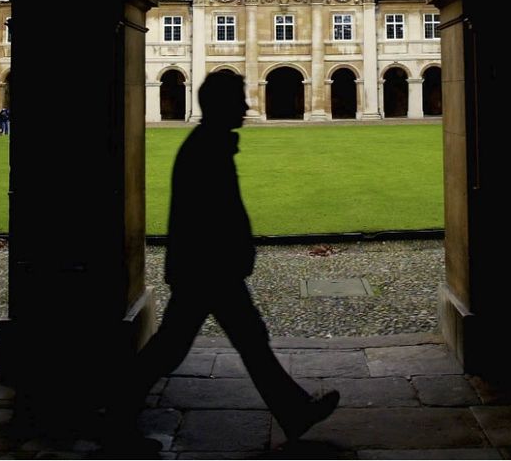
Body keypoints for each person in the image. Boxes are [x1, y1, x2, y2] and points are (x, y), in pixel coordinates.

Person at [106, 72, 339, 450]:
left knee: (242, 341)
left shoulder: (209, 143)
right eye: (240, 101)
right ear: (221, 105)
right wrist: (236, 251)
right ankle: (115, 417)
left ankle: (294, 411)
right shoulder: (207, 147)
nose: (248, 107)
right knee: (179, 347)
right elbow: (212, 214)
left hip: (206, 267)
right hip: (207, 269)